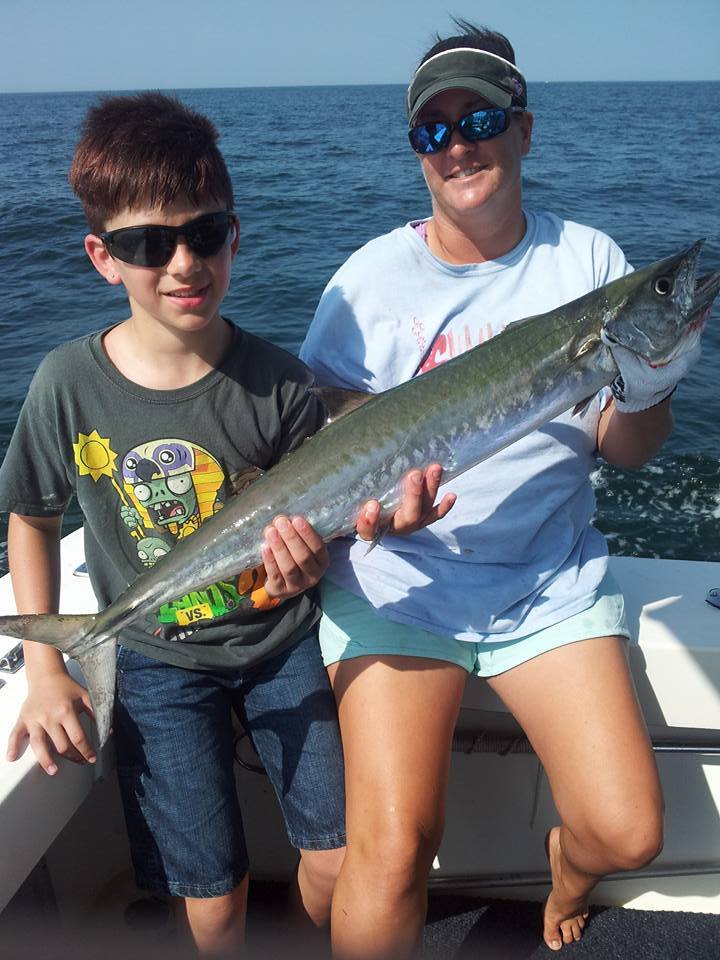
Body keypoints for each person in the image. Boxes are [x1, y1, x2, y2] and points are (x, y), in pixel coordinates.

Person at [0, 92, 447, 959]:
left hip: (280, 643)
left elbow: (314, 538)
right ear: (103, 256)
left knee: (340, 858)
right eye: (147, 244)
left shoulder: (283, 384)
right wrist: (50, 669)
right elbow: (31, 513)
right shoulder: (67, 384)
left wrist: (303, 568)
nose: (181, 263)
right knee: (211, 901)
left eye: (204, 234)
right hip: (158, 663)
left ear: (235, 237)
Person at [300, 20, 703, 958]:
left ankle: (568, 870)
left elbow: (626, 446)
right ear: (417, 154)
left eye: (479, 119)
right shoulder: (366, 282)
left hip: (544, 588)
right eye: (432, 131)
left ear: (523, 129)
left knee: (627, 834)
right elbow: (331, 436)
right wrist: (367, 516)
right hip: (399, 588)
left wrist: (650, 384)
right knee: (393, 850)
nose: (458, 145)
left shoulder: (590, 263)